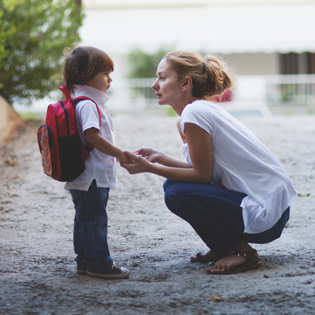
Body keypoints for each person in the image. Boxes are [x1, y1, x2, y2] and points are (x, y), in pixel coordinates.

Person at [121, 51, 297, 275]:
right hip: (270, 208)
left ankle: (240, 252)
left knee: (175, 192)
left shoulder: (195, 113)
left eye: (163, 77)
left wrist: (150, 168)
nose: (155, 84)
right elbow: (207, 171)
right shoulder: (195, 113)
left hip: (265, 213)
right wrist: (160, 158)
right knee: (174, 186)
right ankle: (223, 246)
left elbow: (202, 176)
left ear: (185, 83)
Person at [63, 46, 129, 279]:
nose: (110, 79)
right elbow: (93, 137)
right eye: (105, 73)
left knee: (84, 218)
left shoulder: (80, 101)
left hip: (83, 174)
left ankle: (84, 260)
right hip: (92, 174)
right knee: (95, 219)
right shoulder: (89, 104)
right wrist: (120, 154)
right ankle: (99, 263)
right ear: (84, 75)